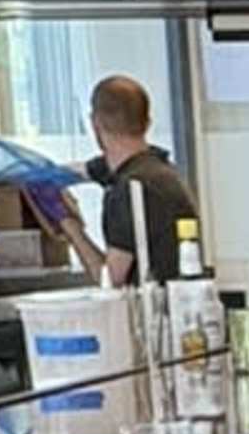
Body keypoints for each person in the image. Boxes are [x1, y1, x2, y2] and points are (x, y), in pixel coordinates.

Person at [82, 73, 202, 288]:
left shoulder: (131, 189)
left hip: (154, 304)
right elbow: (87, 170)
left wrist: (71, 228)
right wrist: (47, 177)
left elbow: (111, 279)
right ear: (147, 123)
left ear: (95, 123)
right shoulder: (160, 170)